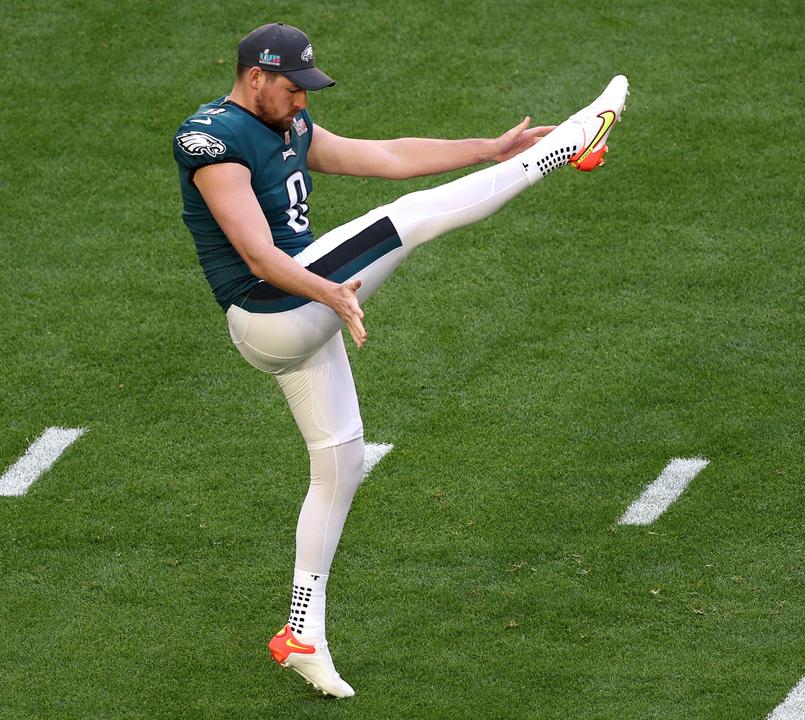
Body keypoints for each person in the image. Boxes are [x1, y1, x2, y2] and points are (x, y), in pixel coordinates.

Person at [172, 21, 628, 698]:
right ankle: (564, 148)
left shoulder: (287, 123)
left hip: (297, 311)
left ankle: (302, 632)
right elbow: (257, 254)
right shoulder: (211, 140)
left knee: (342, 458)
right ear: (255, 77)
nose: (302, 102)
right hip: (274, 302)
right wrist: (329, 293)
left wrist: (489, 148)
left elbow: (381, 154)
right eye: (293, 88)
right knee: (410, 219)